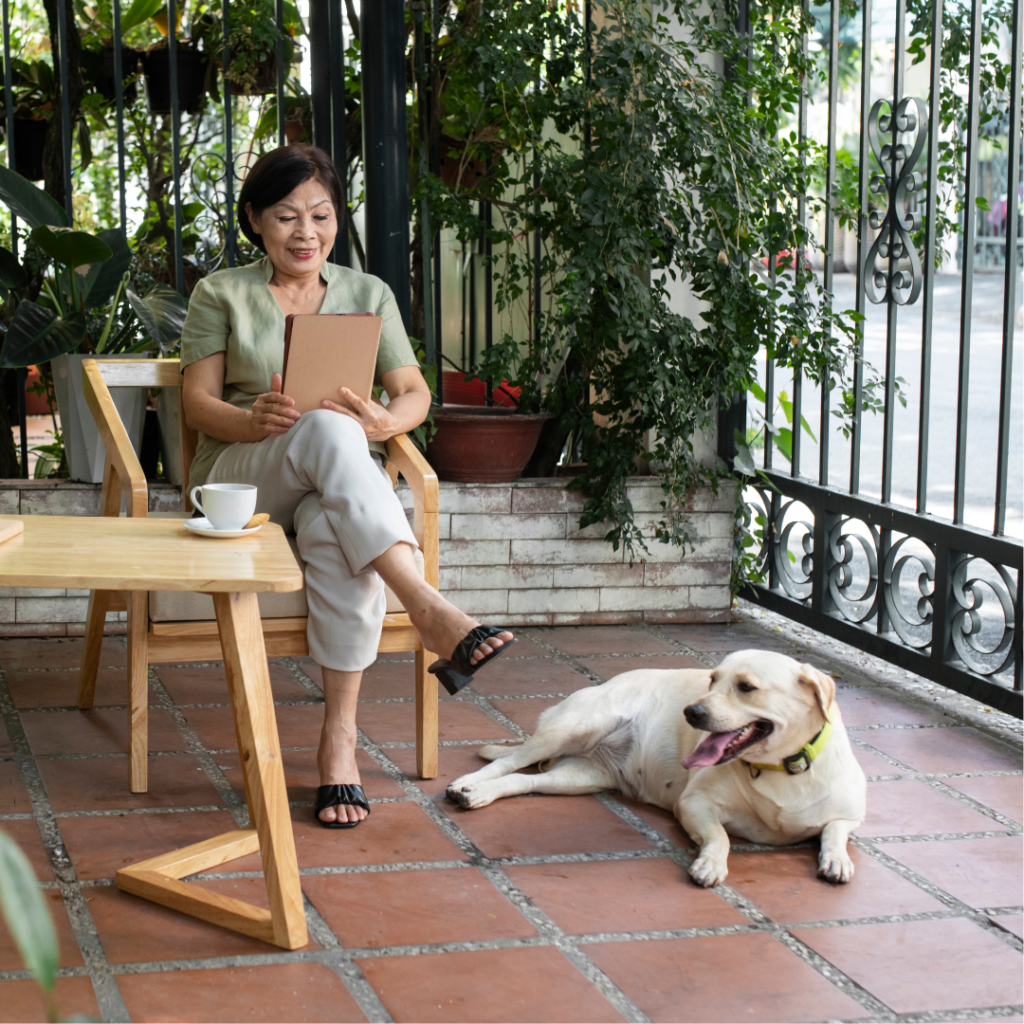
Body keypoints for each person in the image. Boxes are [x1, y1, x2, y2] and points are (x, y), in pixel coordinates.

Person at [179, 144, 514, 829]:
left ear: (337, 218)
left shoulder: (367, 294)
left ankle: (339, 747)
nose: (306, 233)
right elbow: (194, 404)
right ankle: (425, 604)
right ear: (255, 220)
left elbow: (413, 392)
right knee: (332, 432)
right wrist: (250, 420)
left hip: (331, 494)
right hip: (243, 478)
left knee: (335, 528)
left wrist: (388, 418)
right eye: (286, 216)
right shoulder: (221, 293)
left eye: (321, 215)